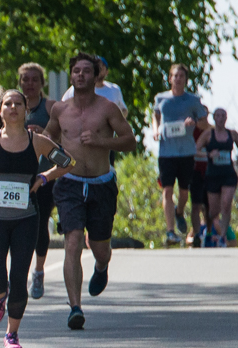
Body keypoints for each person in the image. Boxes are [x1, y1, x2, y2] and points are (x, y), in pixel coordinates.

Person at [0, 86, 72, 348]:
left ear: (26, 110)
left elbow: (67, 162)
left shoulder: (37, 142)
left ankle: (12, 335)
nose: (13, 108)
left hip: (26, 219)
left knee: (19, 278)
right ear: (0, 111)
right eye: (7, 104)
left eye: (18, 104)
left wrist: (44, 177)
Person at [44, 52, 137, 330]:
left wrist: (100, 141)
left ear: (96, 76)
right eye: (76, 71)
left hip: (101, 184)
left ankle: (101, 265)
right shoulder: (60, 110)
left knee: (100, 247)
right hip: (69, 183)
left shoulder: (108, 108)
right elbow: (48, 139)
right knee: (72, 241)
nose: (81, 75)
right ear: (71, 76)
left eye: (86, 71)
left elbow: (130, 141)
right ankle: (75, 307)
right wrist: (48, 152)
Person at [153, 64, 208, 245]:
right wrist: (156, 130)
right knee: (167, 190)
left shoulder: (193, 100)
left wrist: (194, 122)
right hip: (166, 152)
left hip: (186, 152)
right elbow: (156, 115)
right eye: (175, 76)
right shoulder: (161, 98)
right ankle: (170, 231)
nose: (178, 79)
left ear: (186, 80)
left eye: (181, 76)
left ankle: (179, 211)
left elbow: (204, 123)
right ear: (170, 78)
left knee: (184, 192)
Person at [19, 62, 57, 298]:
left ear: (42, 83)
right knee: (18, 226)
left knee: (40, 224)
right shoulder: (13, 106)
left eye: (34, 79)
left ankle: (39, 271)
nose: (30, 83)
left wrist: (44, 135)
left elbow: (63, 138)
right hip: (18, 177)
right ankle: (17, 273)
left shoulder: (50, 107)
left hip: (44, 177)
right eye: (25, 79)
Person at [196, 107, 238, 248]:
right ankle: (208, 231)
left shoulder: (232, 134)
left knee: (226, 203)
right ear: (214, 118)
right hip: (213, 175)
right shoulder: (208, 134)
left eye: (223, 115)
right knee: (213, 211)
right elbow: (195, 150)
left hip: (228, 173)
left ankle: (223, 236)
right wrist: (209, 154)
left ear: (226, 118)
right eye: (218, 115)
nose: (220, 118)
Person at [61, 56, 128, 116]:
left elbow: (124, 110)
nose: (98, 70)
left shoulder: (114, 89)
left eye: (101, 67)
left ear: (106, 72)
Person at [189, 109, 211, 246]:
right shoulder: (191, 131)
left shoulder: (212, 131)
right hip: (195, 171)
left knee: (209, 206)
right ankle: (197, 234)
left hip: (210, 172)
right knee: (196, 205)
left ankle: (209, 233)